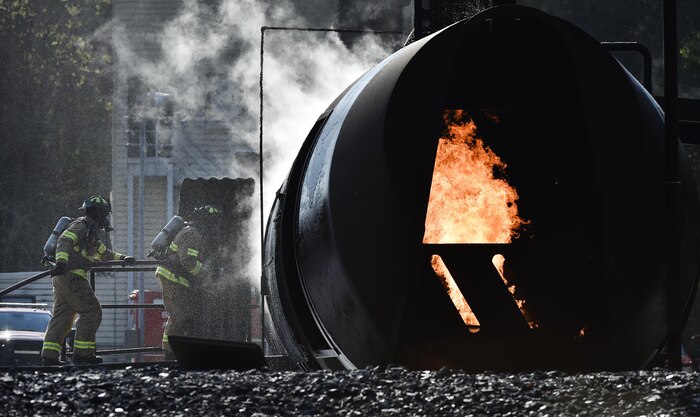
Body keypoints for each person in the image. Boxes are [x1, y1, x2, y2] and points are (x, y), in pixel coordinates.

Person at [41, 195, 135, 366]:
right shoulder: (81, 225)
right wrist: (62, 261)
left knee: (63, 316)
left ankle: (49, 356)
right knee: (92, 312)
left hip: (64, 278)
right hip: (73, 277)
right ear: (98, 214)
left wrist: (123, 258)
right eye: (105, 215)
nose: (106, 219)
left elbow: (103, 252)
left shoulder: (90, 232)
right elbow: (64, 240)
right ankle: (83, 354)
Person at [155, 204, 223, 359]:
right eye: (213, 222)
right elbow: (187, 261)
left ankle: (177, 350)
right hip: (172, 278)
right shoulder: (193, 234)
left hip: (177, 278)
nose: (215, 227)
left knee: (186, 314)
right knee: (178, 315)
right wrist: (206, 273)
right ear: (207, 222)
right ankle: (170, 354)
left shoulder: (193, 232)